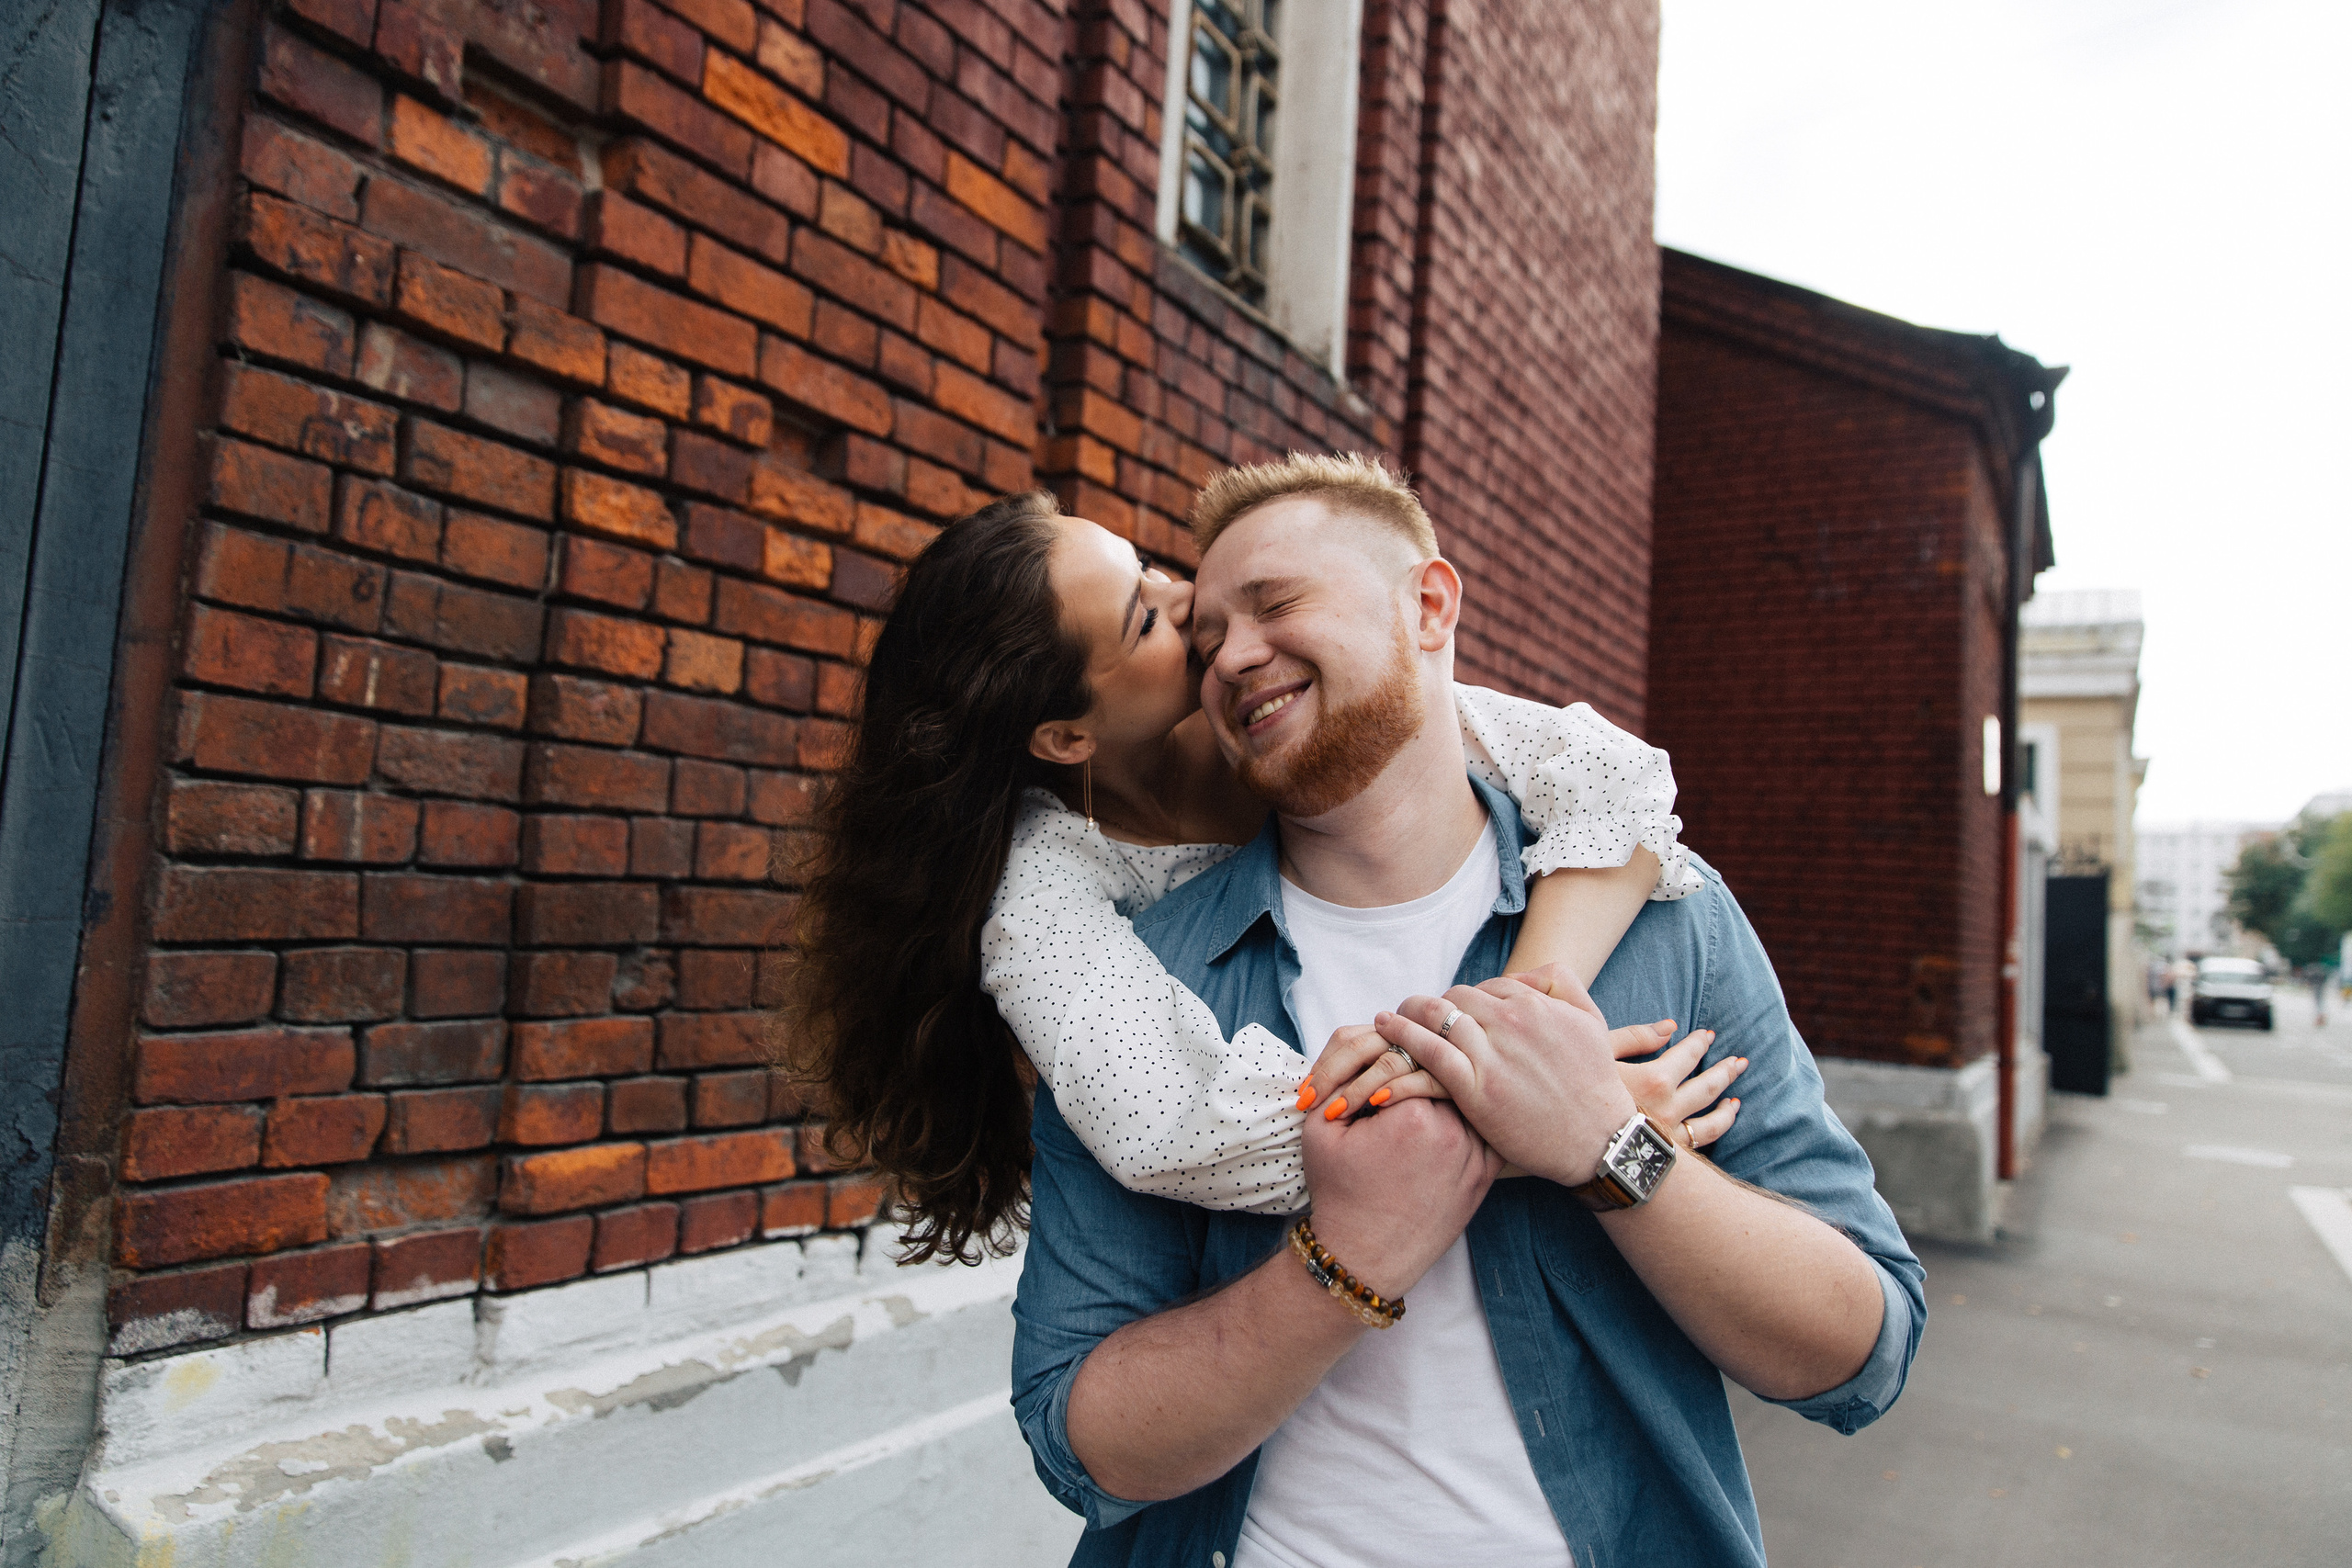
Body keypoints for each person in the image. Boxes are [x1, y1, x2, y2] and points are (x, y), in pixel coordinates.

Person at [1009, 456, 1924, 1567]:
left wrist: (1608, 1146)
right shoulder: (1144, 993)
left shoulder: (1667, 920)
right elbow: (1081, 1447)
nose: (1231, 654)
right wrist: (1342, 1258)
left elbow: (1860, 1354)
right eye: (1201, 641)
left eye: (1277, 604)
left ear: (1429, 604)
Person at [784, 485, 1743, 1266]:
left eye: (1151, 567)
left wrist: (1525, 1028)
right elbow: (1182, 1123)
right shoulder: (1039, 896)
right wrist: (1535, 1120)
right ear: (1067, 735)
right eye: (1142, 617)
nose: (1186, 600)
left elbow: (1609, 778)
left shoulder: (1294, 716)